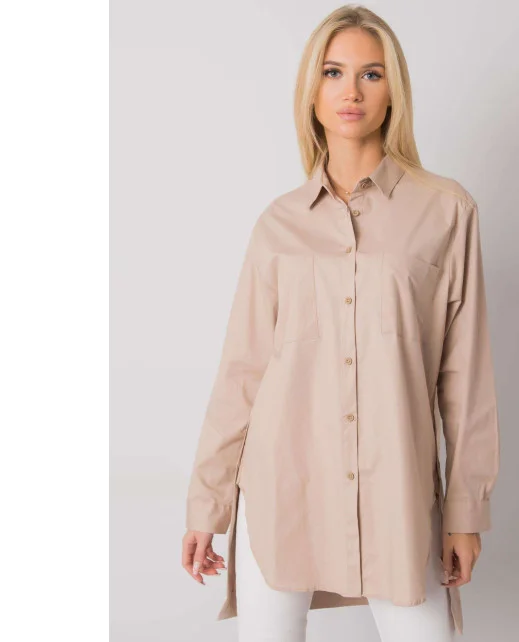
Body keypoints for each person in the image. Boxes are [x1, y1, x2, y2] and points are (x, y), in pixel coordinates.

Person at [181, 5, 500, 642]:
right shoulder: (278, 224)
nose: (351, 90)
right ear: (312, 91)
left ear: (393, 90)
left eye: (371, 74)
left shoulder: (446, 211)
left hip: (396, 490)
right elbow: (243, 372)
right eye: (333, 72)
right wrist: (206, 504)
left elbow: (465, 379)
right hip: (283, 487)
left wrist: (465, 510)